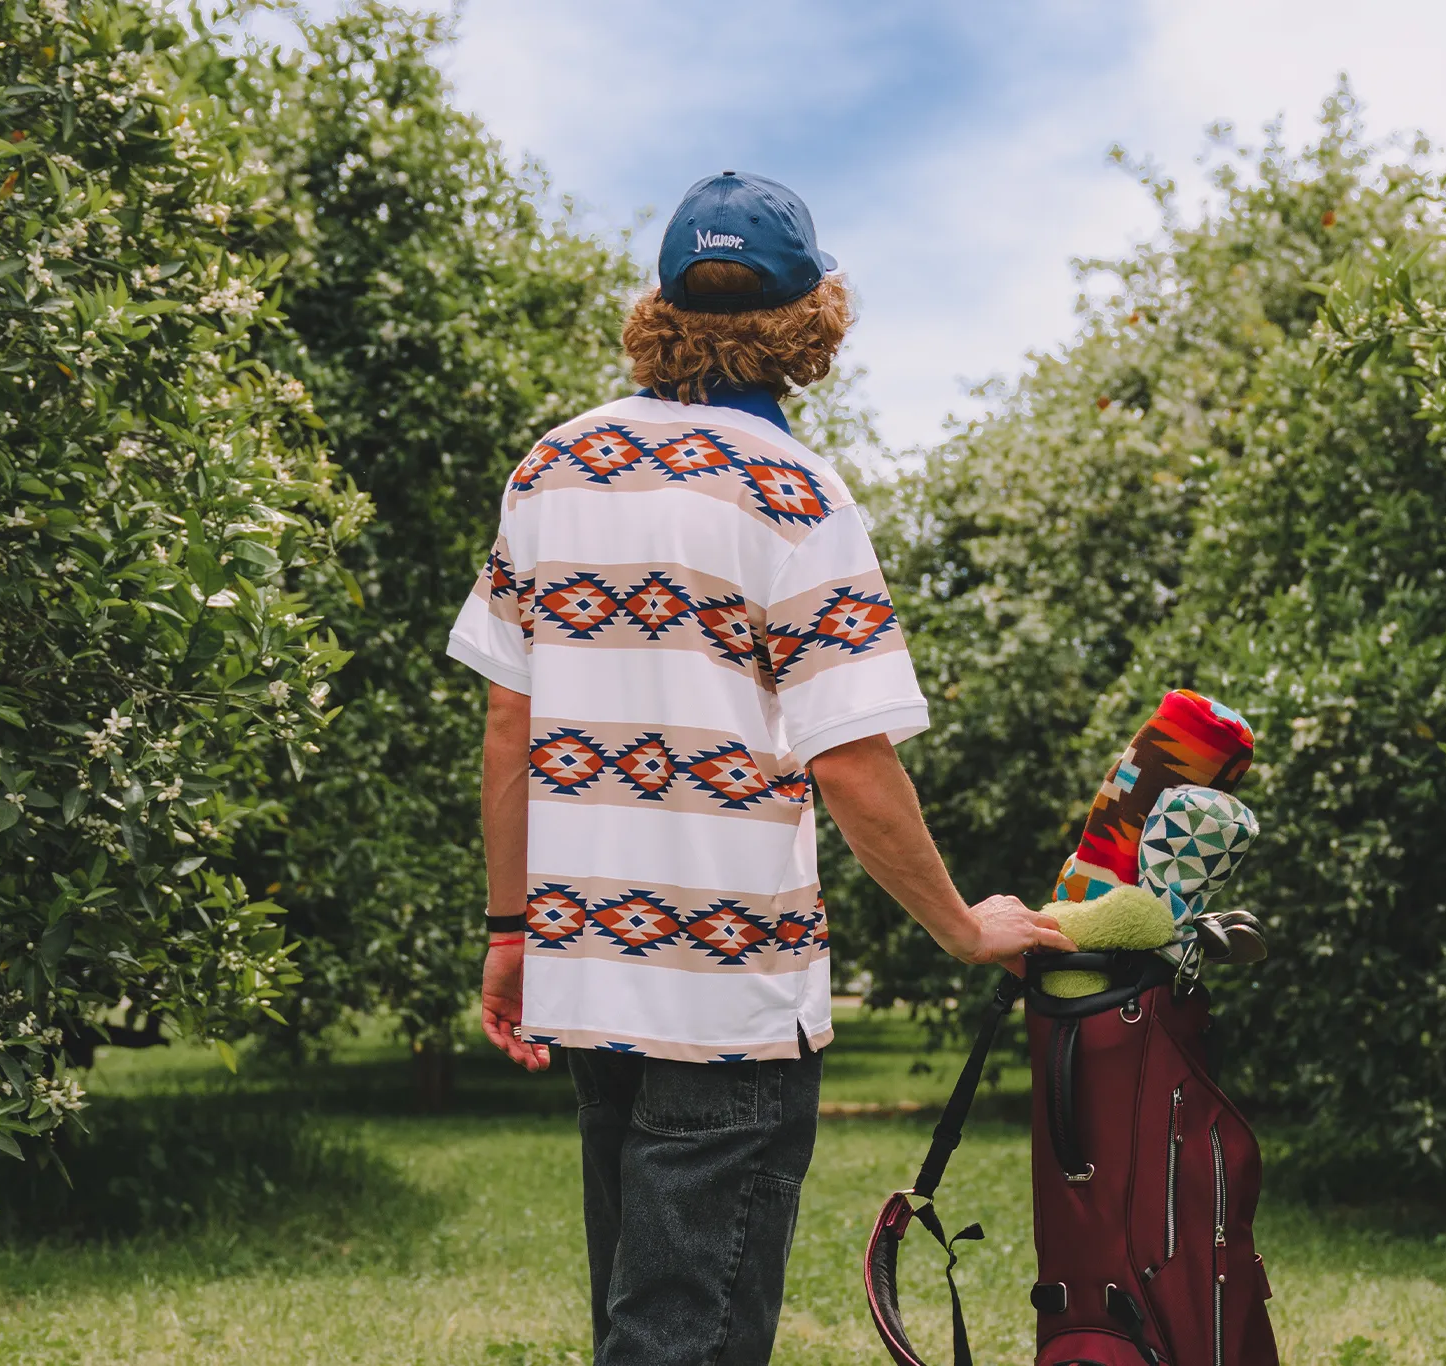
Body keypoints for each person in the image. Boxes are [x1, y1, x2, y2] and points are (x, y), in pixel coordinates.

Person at [447, 169, 1072, 1366]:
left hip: (587, 969)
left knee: (638, 1326)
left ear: (661, 306)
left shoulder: (550, 469)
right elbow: (849, 761)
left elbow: (507, 729)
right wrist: (962, 928)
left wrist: (509, 927)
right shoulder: (793, 495)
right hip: (726, 993)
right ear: (811, 318)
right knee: (684, 1342)